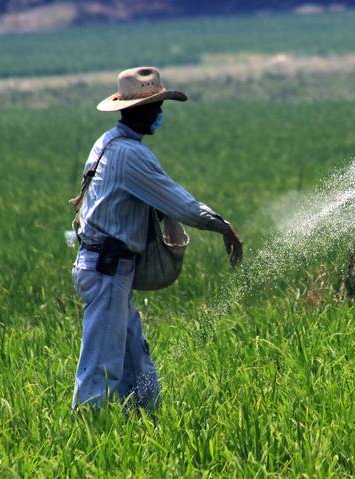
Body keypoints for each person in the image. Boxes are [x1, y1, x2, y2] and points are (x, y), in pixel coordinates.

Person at [70, 66, 243, 410]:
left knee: (138, 366)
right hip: (107, 269)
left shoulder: (108, 142)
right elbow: (182, 204)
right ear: (139, 110)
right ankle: (89, 427)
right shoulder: (130, 154)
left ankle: (144, 424)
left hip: (109, 268)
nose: (160, 113)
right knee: (101, 368)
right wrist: (223, 227)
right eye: (156, 106)